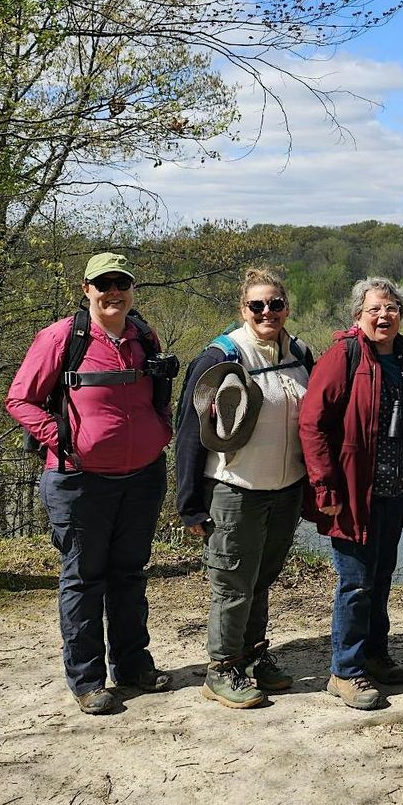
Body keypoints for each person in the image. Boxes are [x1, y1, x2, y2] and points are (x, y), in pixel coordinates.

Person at [6, 252, 173, 715]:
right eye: (104, 285)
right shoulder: (63, 337)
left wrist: (161, 429)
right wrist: (62, 438)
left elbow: (158, 391)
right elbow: (20, 399)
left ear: (131, 288)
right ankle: (87, 680)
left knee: (130, 574)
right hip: (79, 481)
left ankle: (133, 665)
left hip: (141, 477)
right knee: (83, 579)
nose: (113, 292)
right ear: (87, 289)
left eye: (121, 283)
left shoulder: (144, 335)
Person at [176, 268, 313, 709]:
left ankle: (254, 656)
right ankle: (222, 668)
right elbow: (189, 433)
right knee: (233, 582)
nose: (267, 312)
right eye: (258, 305)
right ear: (243, 309)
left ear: (287, 307)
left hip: (286, 488)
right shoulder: (222, 357)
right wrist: (190, 504)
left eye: (275, 303)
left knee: (262, 578)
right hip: (235, 489)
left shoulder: (300, 354)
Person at [299, 278, 403, 710]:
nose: (384, 316)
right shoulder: (345, 356)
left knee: (380, 578)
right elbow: (312, 423)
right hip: (354, 492)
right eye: (375, 308)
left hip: (395, 492)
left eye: (392, 308)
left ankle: (374, 654)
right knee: (356, 583)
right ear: (358, 315)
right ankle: (345, 670)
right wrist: (325, 485)